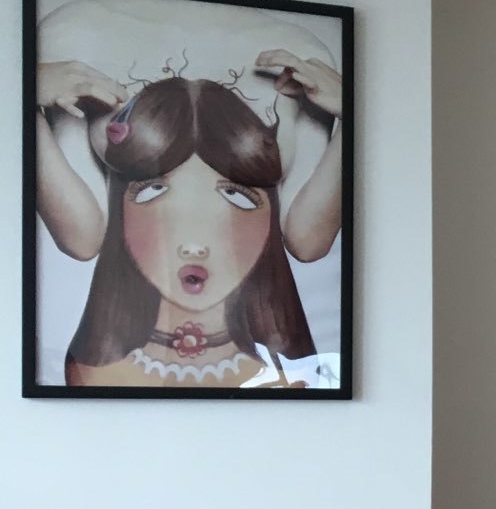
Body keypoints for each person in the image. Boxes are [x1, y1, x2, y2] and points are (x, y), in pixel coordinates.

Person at [43, 67, 343, 389]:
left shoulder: (291, 375)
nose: (195, 245)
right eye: (152, 191)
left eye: (236, 196)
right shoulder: (94, 370)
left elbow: (309, 241)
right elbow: (81, 237)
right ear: (121, 211)